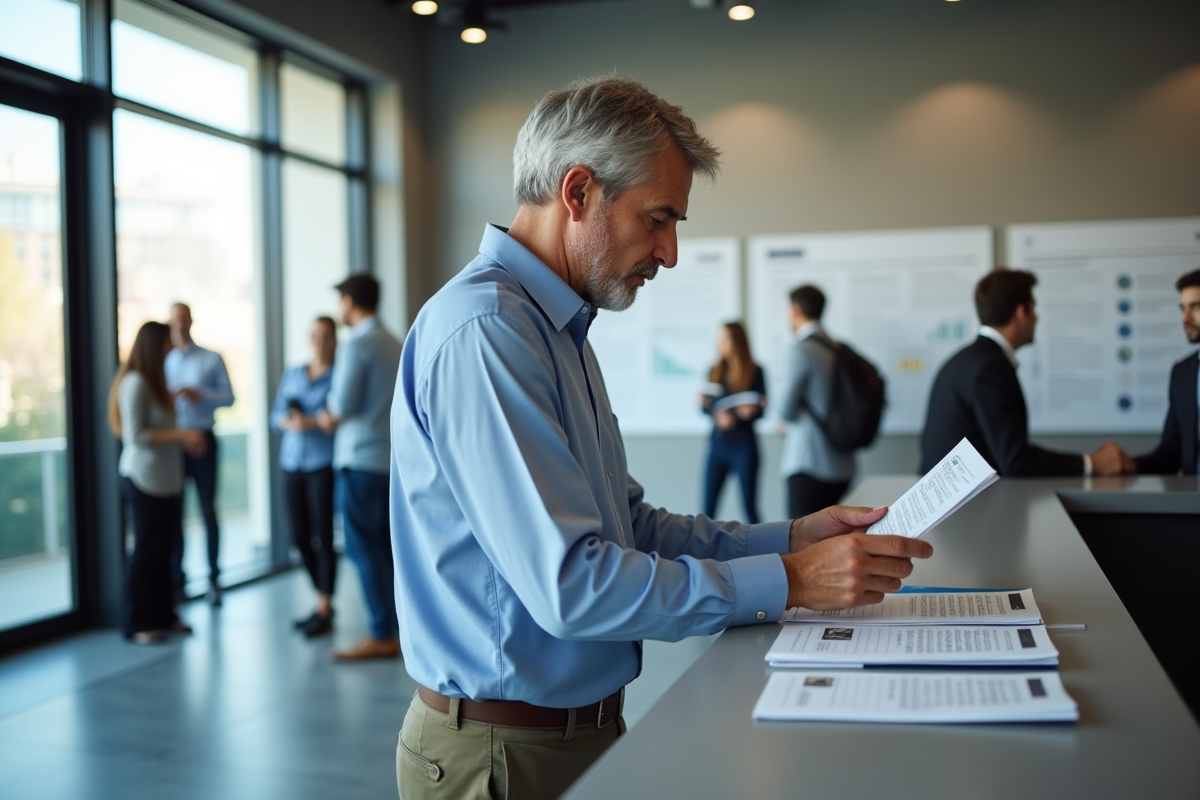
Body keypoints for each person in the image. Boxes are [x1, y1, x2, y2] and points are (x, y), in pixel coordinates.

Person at [390, 76, 932, 800]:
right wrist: (792, 581)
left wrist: (793, 539)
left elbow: (630, 527)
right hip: (502, 755)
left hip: (563, 735)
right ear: (578, 192)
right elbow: (573, 588)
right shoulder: (488, 331)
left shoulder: (555, 328)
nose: (669, 252)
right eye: (658, 218)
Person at [919, 269, 1130, 476]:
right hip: (975, 499)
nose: (1037, 318)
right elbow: (1015, 460)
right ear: (1021, 312)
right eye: (1034, 308)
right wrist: (1092, 463)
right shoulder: (990, 368)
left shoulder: (963, 361)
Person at [319, 274, 403, 660]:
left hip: (358, 460)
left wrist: (324, 417)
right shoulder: (393, 342)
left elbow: (341, 406)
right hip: (387, 461)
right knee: (385, 549)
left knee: (361, 548)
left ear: (349, 302)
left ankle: (381, 632)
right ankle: (396, 628)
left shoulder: (357, 344)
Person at [109, 321, 207, 644]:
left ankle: (165, 615)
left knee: (166, 549)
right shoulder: (135, 383)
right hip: (143, 478)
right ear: (154, 345)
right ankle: (137, 622)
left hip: (167, 479)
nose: (172, 347)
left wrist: (183, 441)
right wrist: (181, 434)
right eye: (167, 342)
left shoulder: (157, 382)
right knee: (146, 550)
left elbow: (161, 431)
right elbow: (136, 436)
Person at [271, 316, 339, 637]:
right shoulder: (294, 373)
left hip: (321, 464)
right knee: (299, 536)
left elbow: (335, 419)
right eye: (315, 336)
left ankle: (324, 605)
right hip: (291, 462)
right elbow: (275, 415)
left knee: (322, 535)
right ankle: (321, 593)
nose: (319, 341)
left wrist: (309, 422)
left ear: (334, 340)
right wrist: (288, 421)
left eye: (325, 336)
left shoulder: (338, 376)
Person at [165, 302, 235, 606]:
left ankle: (214, 579)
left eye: (183, 318)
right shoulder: (164, 360)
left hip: (204, 441)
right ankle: (177, 580)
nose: (179, 324)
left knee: (208, 510)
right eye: (174, 319)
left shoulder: (211, 358)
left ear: (191, 320)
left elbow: (229, 398)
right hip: (174, 443)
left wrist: (200, 394)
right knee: (174, 514)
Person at [779, 285, 857, 518]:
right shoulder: (838, 348)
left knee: (803, 538)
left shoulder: (801, 351)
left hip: (810, 463)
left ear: (795, 310)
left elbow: (784, 410)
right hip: (843, 465)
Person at [1134, 268, 1200, 475]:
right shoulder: (1183, 373)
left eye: (1195, 307)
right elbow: (1172, 452)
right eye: (1182, 309)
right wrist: (1126, 465)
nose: (1185, 318)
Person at [700, 322, 766, 523]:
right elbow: (705, 407)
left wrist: (748, 412)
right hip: (718, 445)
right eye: (719, 339)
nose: (719, 344)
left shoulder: (755, 371)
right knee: (707, 511)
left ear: (737, 342)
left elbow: (761, 409)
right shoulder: (714, 370)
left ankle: (763, 543)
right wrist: (711, 410)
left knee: (750, 509)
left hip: (744, 445)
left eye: (725, 339)